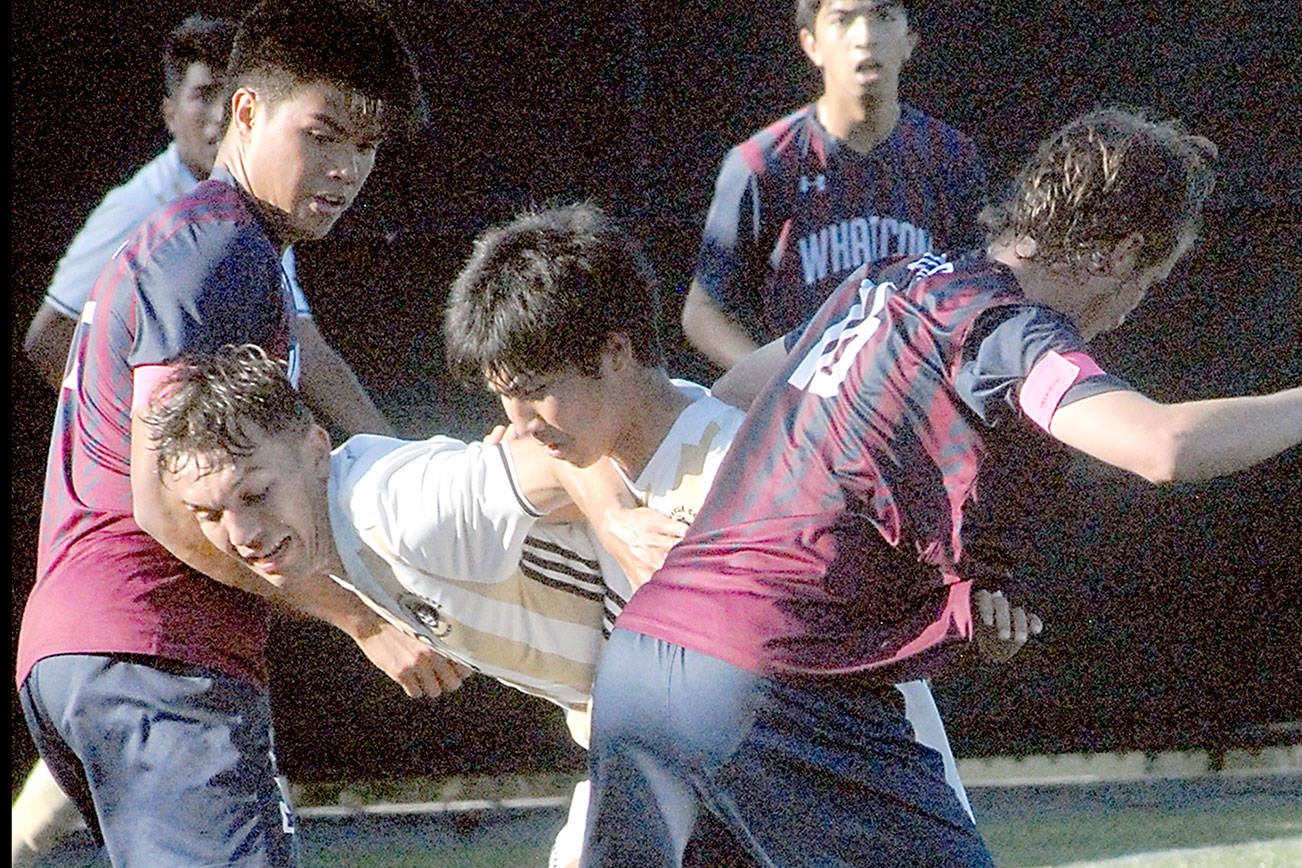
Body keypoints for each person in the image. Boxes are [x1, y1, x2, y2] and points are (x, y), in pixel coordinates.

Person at [580, 108, 1302, 866]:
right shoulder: (1005, 329)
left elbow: (731, 391)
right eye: (1150, 281)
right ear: (1121, 255)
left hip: (643, 668)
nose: (1135, 308)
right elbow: (1163, 446)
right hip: (772, 687)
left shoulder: (885, 285)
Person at [442, 202, 1039, 866]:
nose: (518, 423)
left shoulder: (745, 478)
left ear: (615, 351)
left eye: (536, 391)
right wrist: (612, 518)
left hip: (776, 773)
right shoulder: (585, 452)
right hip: (670, 767)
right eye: (505, 398)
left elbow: (871, 682)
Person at [14, 3, 452, 865]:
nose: (345, 170)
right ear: (245, 112)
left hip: (99, 650)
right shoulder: (217, 252)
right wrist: (360, 619)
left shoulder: (230, 244)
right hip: (153, 651)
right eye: (322, 135)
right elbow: (169, 504)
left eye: (365, 148)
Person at [21, 12, 391, 436]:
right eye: (203, 95)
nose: (218, 115)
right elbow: (47, 337)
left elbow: (306, 345)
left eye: (364, 145)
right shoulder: (142, 209)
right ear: (170, 113)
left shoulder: (262, 209)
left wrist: (394, 453)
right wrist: (124, 441)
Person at [681, 0, 986, 371]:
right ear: (812, 44)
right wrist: (784, 385)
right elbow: (703, 311)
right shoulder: (766, 163)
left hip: (918, 400)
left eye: (883, 16)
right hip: (810, 410)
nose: (865, 37)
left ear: (910, 39)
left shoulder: (949, 157)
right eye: (842, 20)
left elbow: (979, 289)